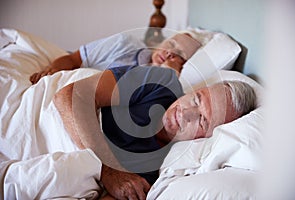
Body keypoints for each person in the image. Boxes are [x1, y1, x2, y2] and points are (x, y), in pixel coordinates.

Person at [53, 62, 256, 199]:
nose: (185, 113)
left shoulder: (159, 170)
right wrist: (108, 169)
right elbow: (70, 96)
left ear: (207, 138)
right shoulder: (160, 82)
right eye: (196, 99)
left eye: (202, 120)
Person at [29, 32, 202, 84]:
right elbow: (73, 59)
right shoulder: (125, 43)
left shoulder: (165, 79)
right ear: (162, 40)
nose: (171, 52)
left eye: (180, 54)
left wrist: (169, 71)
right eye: (171, 44)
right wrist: (52, 71)